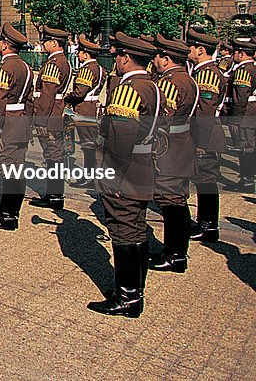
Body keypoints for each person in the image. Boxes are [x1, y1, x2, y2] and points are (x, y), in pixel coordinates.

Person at [88, 33, 161, 318]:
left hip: (125, 170)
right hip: (143, 164)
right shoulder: (152, 86)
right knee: (137, 226)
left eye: (117, 55)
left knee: (122, 228)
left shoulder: (127, 90)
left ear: (125, 58)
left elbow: (119, 140)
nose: (115, 60)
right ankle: (136, 289)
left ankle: (127, 296)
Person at [148, 33, 199, 273]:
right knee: (176, 199)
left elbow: (161, 118)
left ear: (166, 59)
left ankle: (175, 254)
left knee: (170, 201)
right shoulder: (188, 79)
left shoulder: (169, 82)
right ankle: (176, 251)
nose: (155, 61)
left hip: (168, 145)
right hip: (182, 141)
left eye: (158, 56)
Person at [0, 22, 33, 231]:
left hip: (8, 123)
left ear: (5, 45)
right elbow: (30, 102)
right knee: (18, 168)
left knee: (9, 170)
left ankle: (7, 215)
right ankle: (12, 212)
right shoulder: (26, 68)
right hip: (21, 122)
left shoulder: (2, 69)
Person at [185, 27, 228, 242]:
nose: (188, 51)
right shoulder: (202, 71)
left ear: (200, 49)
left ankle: (208, 225)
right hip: (204, 132)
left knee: (206, 180)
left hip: (206, 134)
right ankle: (205, 222)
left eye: (190, 47)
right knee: (203, 180)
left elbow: (205, 110)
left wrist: (200, 142)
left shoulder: (207, 73)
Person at [30, 26, 72, 211]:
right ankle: (55, 194)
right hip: (56, 111)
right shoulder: (64, 61)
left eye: (46, 41)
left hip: (49, 114)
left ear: (54, 43)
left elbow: (47, 94)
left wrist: (39, 120)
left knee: (53, 154)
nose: (43, 44)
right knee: (55, 153)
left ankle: (54, 195)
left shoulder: (53, 64)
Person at [67, 35, 106, 190]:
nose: (78, 55)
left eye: (80, 52)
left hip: (85, 108)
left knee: (88, 144)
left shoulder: (87, 69)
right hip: (93, 106)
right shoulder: (100, 68)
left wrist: (67, 97)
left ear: (86, 54)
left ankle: (89, 177)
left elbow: (79, 92)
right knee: (91, 143)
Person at [225, 38, 255, 192]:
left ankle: (247, 181)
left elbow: (240, 97)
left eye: (235, 52)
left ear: (241, 54)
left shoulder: (244, 70)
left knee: (245, 148)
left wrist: (235, 120)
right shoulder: (252, 68)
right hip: (250, 113)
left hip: (244, 115)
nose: (233, 55)